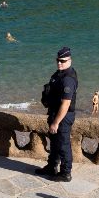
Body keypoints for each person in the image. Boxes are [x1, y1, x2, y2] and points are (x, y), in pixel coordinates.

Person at [36, 46, 78, 182]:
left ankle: (66, 173)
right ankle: (52, 166)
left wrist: (56, 122)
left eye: (63, 61)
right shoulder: (60, 74)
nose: (59, 63)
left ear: (70, 60)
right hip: (55, 113)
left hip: (63, 117)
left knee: (63, 144)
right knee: (54, 142)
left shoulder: (68, 79)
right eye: (57, 60)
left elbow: (66, 104)